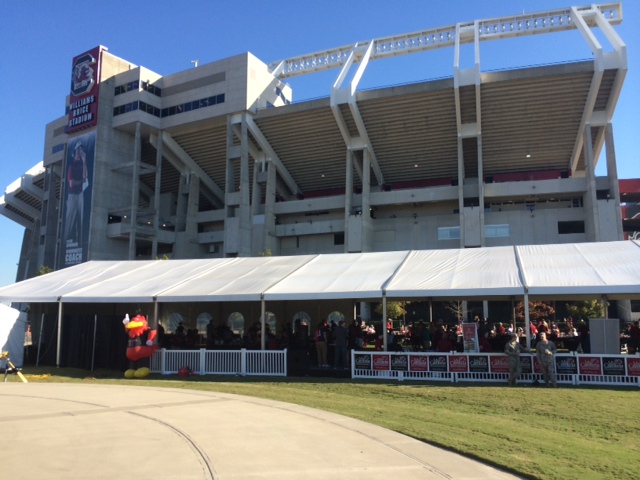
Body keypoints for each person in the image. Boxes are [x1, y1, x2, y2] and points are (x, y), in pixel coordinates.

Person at [64, 141, 88, 245]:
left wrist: (84, 161)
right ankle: (65, 243)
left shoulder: (81, 163)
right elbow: (71, 183)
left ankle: (81, 243)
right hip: (72, 196)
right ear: (75, 150)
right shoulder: (72, 165)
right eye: (78, 149)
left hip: (80, 194)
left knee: (81, 221)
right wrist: (81, 182)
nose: (80, 151)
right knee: (69, 221)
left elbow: (85, 177)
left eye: (81, 149)